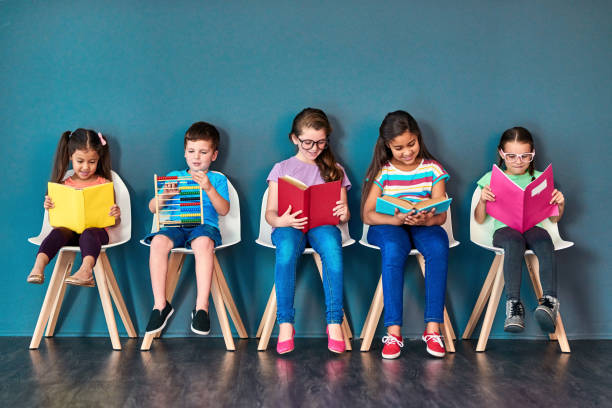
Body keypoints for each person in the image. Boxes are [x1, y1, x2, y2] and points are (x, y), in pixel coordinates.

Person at [361, 110, 450, 359]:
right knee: (393, 249)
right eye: (398, 148)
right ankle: (393, 331)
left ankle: (433, 329)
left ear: (418, 138)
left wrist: (425, 218)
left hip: (423, 224)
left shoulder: (433, 169)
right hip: (389, 225)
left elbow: (441, 214)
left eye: (411, 144)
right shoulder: (384, 171)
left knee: (438, 247)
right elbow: (368, 215)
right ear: (387, 146)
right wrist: (396, 218)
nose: (407, 152)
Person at [265, 108, 351, 354]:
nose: (315, 148)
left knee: (332, 249)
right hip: (289, 225)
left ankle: (334, 322)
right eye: (308, 142)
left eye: (321, 142)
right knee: (287, 250)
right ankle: (285, 324)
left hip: (323, 224)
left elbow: (345, 213)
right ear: (294, 138)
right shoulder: (281, 168)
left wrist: (344, 213)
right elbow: (269, 214)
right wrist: (282, 220)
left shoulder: (334, 169)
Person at [474, 126, 565, 333]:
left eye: (525, 156)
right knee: (514, 242)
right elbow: (479, 220)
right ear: (501, 153)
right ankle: (514, 307)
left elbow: (554, 218)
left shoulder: (541, 179)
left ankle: (549, 303)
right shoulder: (491, 179)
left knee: (544, 240)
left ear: (533, 154)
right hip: (505, 231)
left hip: (533, 227)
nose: (518, 161)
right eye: (512, 156)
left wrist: (560, 204)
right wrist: (482, 201)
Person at [143, 122, 230, 336]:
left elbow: (224, 209)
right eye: (191, 151)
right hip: (176, 227)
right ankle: (160, 305)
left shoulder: (217, 179)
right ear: (184, 153)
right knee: (157, 242)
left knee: (203, 243)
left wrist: (208, 187)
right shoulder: (174, 175)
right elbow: (153, 207)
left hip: (203, 227)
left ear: (214, 155)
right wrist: (165, 195)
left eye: (203, 152)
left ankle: (202, 307)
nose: (196, 156)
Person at [27, 129, 120, 287]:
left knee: (89, 233)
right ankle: (38, 266)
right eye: (80, 161)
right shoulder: (63, 185)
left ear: (98, 160)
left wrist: (115, 216)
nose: (86, 167)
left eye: (92, 162)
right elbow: (56, 223)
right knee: (57, 232)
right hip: (69, 233)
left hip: (95, 235)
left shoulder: (103, 184)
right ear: (71, 157)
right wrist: (50, 208)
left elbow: (112, 223)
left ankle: (86, 270)